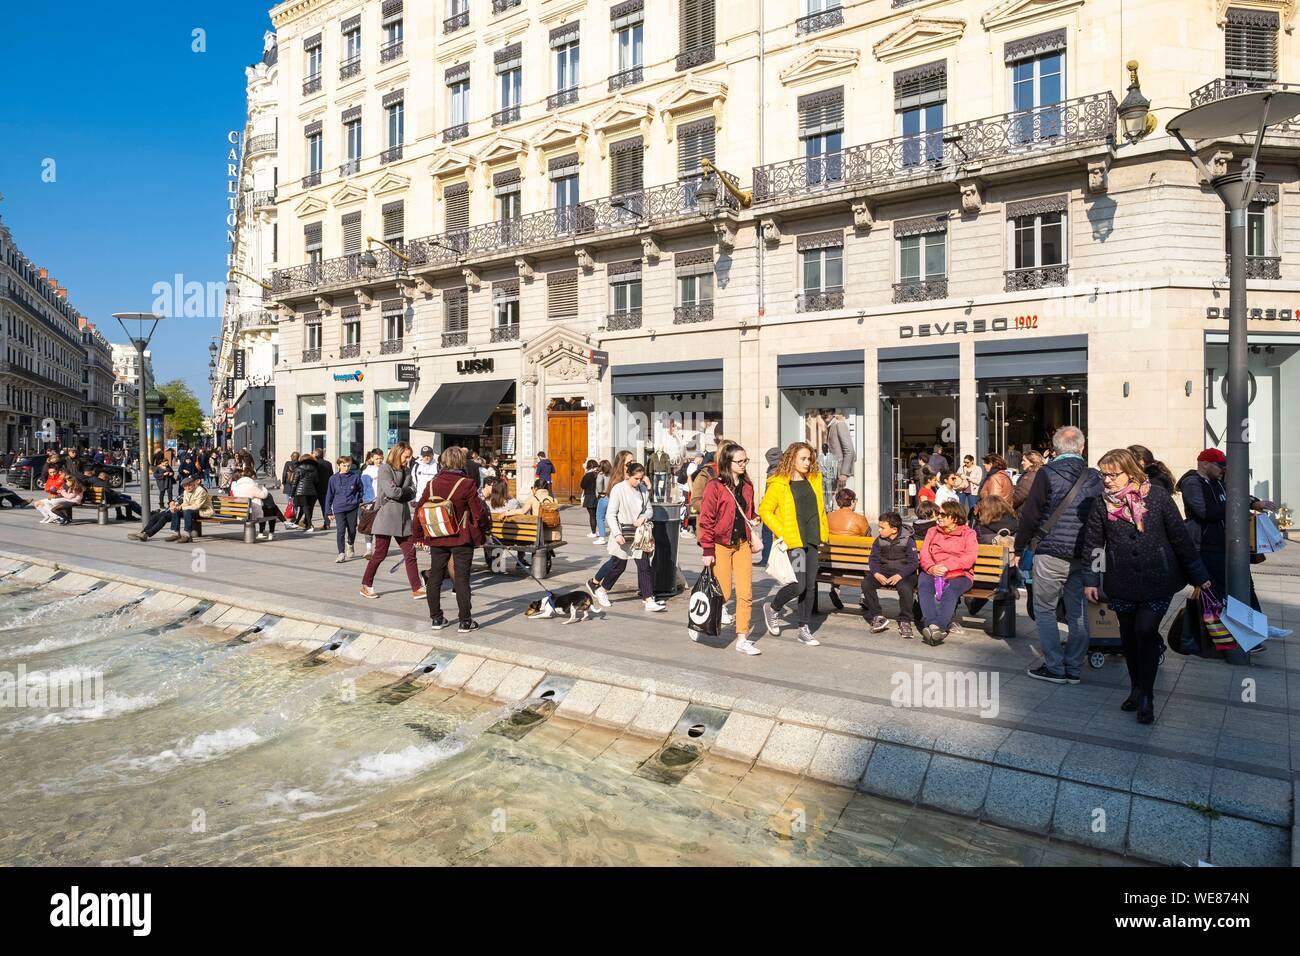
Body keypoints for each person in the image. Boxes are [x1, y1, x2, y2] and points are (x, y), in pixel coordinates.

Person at [1085, 449, 1212, 725]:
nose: (1106, 480)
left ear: (1130, 472)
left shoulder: (1157, 497)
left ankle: (1147, 696)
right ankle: (1135, 688)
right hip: (1122, 581)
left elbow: (1180, 538)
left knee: (1146, 630)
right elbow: (1094, 544)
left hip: (1159, 578)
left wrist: (1199, 575)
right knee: (1129, 638)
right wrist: (1091, 580)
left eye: (1112, 474)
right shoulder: (1100, 503)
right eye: (1102, 474)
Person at [1013, 425, 1102, 684]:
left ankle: (1054, 666)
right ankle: (1074, 667)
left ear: (1054, 449)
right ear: (1082, 448)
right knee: (1078, 611)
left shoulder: (1046, 473)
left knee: (1045, 609)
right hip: (1084, 553)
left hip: (1051, 550)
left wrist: (1020, 547)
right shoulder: (1094, 476)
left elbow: (1030, 515)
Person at [759, 441, 830, 646]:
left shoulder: (814, 479)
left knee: (810, 586)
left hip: (812, 539)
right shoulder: (779, 483)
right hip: (794, 542)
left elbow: (819, 508)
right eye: (803, 458)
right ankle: (773, 608)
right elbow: (765, 510)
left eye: (810, 459)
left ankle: (804, 628)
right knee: (798, 585)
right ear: (792, 458)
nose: (808, 462)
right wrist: (782, 531)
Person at [697, 442, 762, 655]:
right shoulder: (715, 486)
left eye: (746, 460)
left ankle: (742, 638)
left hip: (742, 544)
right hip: (720, 545)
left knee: (745, 593)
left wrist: (754, 519)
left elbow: (748, 512)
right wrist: (707, 550)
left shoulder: (747, 486)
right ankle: (700, 619)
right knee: (723, 591)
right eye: (740, 461)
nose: (744, 464)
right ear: (728, 462)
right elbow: (706, 519)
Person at [417, 446, 491, 633]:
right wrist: (483, 530)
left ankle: (436, 619)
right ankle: (465, 621)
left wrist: (418, 536)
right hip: (461, 537)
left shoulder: (432, 484)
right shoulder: (466, 484)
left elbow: (419, 510)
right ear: (460, 462)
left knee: (434, 578)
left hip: (437, 536)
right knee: (461, 580)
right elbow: (478, 513)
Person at [586, 462, 665, 613]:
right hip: (622, 533)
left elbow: (649, 510)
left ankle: (648, 599)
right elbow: (611, 513)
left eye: (641, 479)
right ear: (628, 475)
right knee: (618, 566)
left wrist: (643, 518)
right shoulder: (618, 489)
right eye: (636, 478)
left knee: (644, 566)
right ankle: (602, 590)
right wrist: (616, 533)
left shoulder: (642, 490)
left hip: (639, 534)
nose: (639, 482)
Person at [359, 442, 424, 600]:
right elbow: (391, 491)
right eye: (406, 456)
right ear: (397, 453)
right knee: (380, 554)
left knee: (410, 553)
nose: (408, 460)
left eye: (409, 457)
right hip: (386, 517)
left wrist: (403, 492)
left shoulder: (407, 469)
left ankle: (416, 588)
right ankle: (366, 585)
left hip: (403, 518)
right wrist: (405, 491)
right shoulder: (385, 468)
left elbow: (412, 490)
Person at [917, 500, 979, 646]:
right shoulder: (932, 531)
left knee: (950, 590)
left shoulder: (968, 533)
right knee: (924, 584)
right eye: (938, 513)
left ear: (955, 517)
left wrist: (946, 566)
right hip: (933, 570)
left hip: (959, 574)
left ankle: (940, 627)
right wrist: (931, 568)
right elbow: (925, 553)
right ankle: (932, 625)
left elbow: (970, 557)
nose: (938, 516)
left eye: (943, 514)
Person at [862, 511, 919, 639]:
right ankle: (877, 616)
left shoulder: (908, 540)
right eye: (879, 527)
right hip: (884, 571)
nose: (879, 530)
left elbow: (913, 563)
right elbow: (873, 559)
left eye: (882, 528)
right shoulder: (879, 540)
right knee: (866, 583)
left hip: (905, 573)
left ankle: (905, 620)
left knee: (905, 588)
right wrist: (876, 573)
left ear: (894, 529)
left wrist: (900, 575)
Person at [324, 456, 364, 562]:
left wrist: (358, 500)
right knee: (340, 530)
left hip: (352, 507)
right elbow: (329, 495)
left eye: (348, 466)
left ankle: (350, 544)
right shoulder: (333, 479)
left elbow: (361, 490)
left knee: (352, 530)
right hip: (339, 508)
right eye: (344, 466)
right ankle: (341, 553)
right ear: (338, 466)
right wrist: (328, 511)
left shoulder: (355, 477)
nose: (346, 468)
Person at [231, 468, 278, 540]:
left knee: (268, 509)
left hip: (239, 512)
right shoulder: (251, 486)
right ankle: (270, 532)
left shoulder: (236, 486)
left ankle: (262, 532)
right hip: (249, 513)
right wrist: (264, 489)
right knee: (271, 509)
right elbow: (263, 495)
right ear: (252, 477)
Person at [359, 448, 383, 556]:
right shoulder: (367, 471)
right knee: (369, 526)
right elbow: (365, 488)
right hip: (371, 501)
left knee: (381, 527)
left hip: (383, 502)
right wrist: (367, 502)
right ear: (372, 458)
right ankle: (369, 549)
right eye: (377, 458)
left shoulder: (385, 469)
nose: (379, 460)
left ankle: (379, 548)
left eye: (381, 458)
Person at [760, 447, 781, 564]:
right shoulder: (779, 469)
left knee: (767, 533)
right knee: (771, 533)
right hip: (774, 505)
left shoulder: (774, 470)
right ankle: (768, 558)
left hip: (772, 507)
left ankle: (766, 558)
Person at [293, 450, 321, 531]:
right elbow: (316, 481)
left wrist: (292, 494)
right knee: (308, 508)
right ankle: (299, 522)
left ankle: (309, 525)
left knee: (304, 507)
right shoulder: (315, 468)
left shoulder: (298, 468)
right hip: (312, 492)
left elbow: (295, 482)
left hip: (301, 491)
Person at [313, 449, 335, 530]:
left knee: (310, 506)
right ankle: (327, 523)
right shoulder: (328, 464)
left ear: (315, 454)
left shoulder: (314, 463)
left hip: (315, 488)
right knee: (325, 507)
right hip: (325, 488)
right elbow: (331, 475)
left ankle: (307, 522)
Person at [593, 459, 613, 545]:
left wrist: (600, 493)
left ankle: (602, 537)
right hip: (612, 497)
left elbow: (599, 485)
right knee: (612, 516)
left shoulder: (601, 475)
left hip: (604, 496)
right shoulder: (613, 474)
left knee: (600, 517)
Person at [580, 459, 600, 536]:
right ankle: (599, 531)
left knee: (592, 516)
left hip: (589, 496)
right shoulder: (598, 474)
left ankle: (593, 532)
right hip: (597, 496)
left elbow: (582, 485)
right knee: (597, 515)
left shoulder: (587, 475)